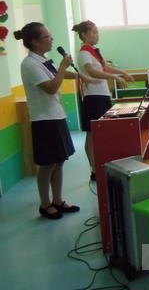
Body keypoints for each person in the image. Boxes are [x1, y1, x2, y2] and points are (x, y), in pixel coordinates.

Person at [14, 22, 93, 219]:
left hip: (57, 116)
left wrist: (79, 75)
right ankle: (45, 204)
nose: (52, 39)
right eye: (47, 36)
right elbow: (50, 87)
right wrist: (63, 66)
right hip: (44, 120)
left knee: (59, 161)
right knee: (47, 164)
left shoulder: (43, 60)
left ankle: (58, 200)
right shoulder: (30, 64)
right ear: (35, 41)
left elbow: (59, 74)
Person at [74, 20, 134, 181]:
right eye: (94, 32)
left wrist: (122, 73)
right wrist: (115, 77)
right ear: (84, 35)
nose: (97, 35)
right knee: (92, 134)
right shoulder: (84, 53)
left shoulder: (95, 52)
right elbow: (92, 72)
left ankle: (104, 164)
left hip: (103, 95)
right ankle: (94, 169)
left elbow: (104, 68)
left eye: (97, 32)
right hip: (92, 97)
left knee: (104, 132)